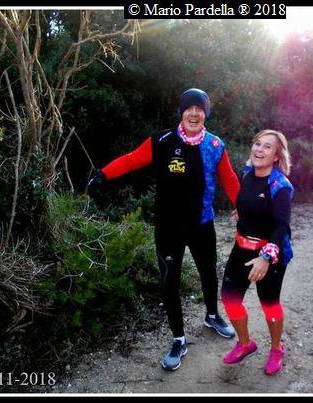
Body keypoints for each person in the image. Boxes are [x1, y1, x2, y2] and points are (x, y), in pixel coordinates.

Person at [87, 88, 240, 371]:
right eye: (189, 108)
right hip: (168, 226)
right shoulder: (162, 141)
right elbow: (131, 159)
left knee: (208, 272)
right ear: (181, 112)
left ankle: (211, 315)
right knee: (170, 281)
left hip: (202, 223)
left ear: (205, 114)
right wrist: (103, 175)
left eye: (200, 109)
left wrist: (243, 207)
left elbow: (229, 179)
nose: (194, 113)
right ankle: (178, 339)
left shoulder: (215, 145)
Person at [220, 129, 294, 376]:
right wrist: (243, 211)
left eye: (267, 147)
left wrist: (265, 258)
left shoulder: (280, 186)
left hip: (269, 253)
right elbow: (249, 200)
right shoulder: (247, 172)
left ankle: (276, 348)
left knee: (269, 304)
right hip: (241, 247)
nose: (259, 150)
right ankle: (245, 344)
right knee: (229, 299)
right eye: (257, 144)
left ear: (276, 156)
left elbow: (282, 226)